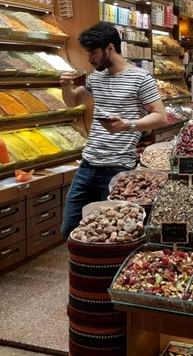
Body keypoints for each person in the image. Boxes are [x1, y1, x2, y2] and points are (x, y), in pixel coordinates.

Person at [60, 21, 168, 238]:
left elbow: (161, 116)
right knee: (69, 231)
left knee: (112, 234)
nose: (89, 59)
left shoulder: (140, 78)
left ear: (110, 48)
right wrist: (65, 86)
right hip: (88, 165)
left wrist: (128, 125)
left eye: (93, 52)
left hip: (117, 169)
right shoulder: (96, 77)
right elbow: (72, 101)